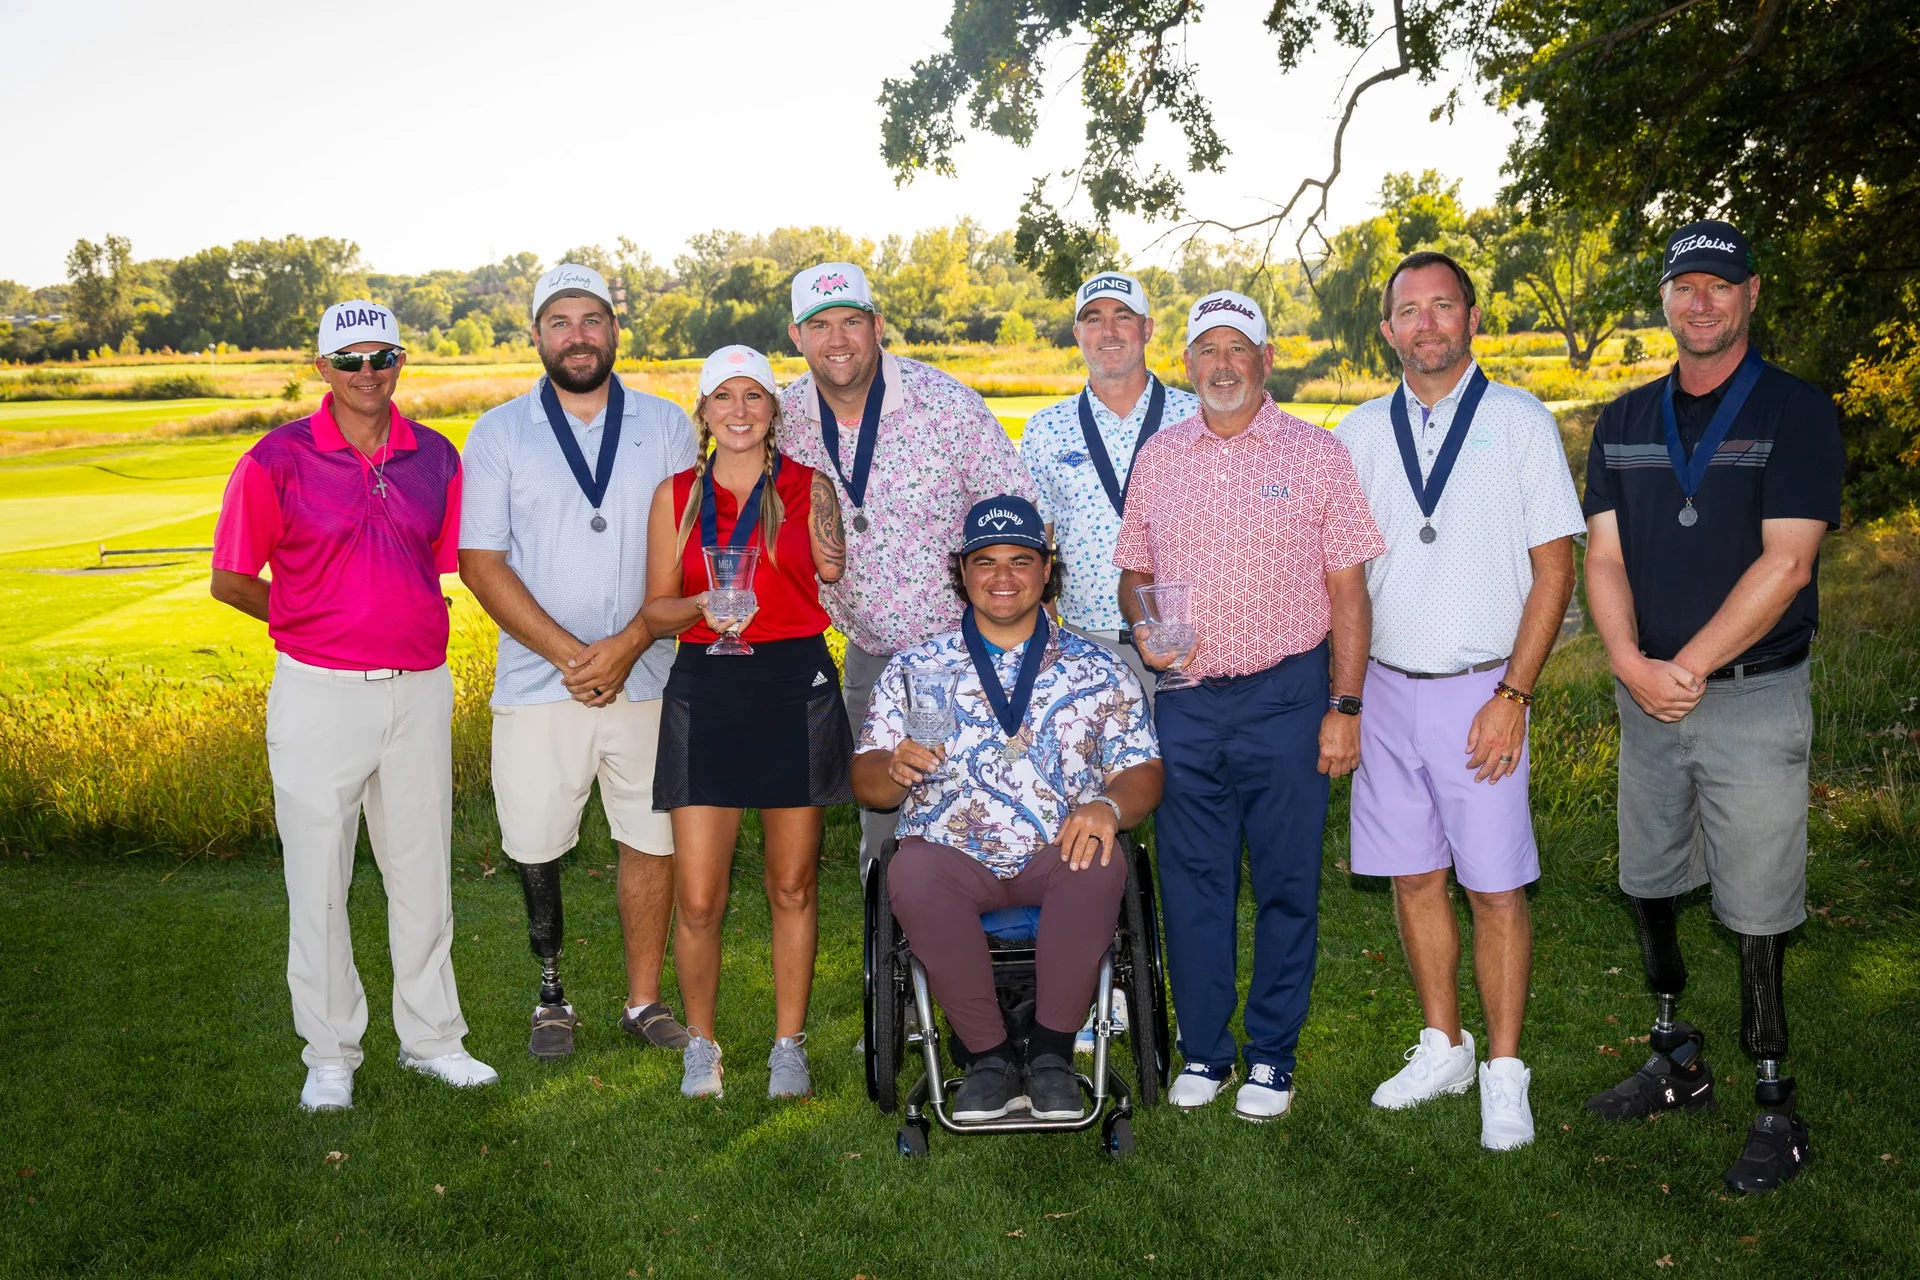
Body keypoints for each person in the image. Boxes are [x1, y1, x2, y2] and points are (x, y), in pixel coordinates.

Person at [1581, 221, 1843, 1192]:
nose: (1701, 301)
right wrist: (1628, 662)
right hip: (1644, 693)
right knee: (1648, 880)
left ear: (1751, 294)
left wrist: (1679, 665)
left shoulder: (1796, 410)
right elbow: (1601, 557)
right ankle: (1676, 1058)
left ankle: (1775, 1101)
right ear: (1665, 298)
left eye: (1719, 285)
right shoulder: (1623, 421)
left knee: (1759, 904)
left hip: (1751, 696)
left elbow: (1789, 560)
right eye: (1684, 285)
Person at [210, 299, 497, 1110]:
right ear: (322, 369)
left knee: (422, 873)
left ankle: (433, 1040)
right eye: (351, 361)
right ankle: (330, 1053)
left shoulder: (435, 457)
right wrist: (308, 619)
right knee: (319, 879)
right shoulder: (275, 459)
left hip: (417, 690)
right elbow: (231, 579)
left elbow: (438, 566)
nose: (369, 375)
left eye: (384, 358)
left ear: (401, 362)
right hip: (317, 695)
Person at [1333, 251, 1585, 1150]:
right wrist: (1347, 698)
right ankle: (1444, 1043)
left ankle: (1505, 1071)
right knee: (1412, 876)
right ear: (1390, 329)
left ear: (1472, 319)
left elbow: (1555, 568)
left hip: (1484, 688)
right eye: (1410, 310)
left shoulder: (1519, 420)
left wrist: (1515, 693)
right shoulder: (1357, 432)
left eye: (1445, 307)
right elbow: (1341, 577)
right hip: (1388, 691)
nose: (1428, 324)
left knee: (1496, 886)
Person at [1115, 290, 1384, 1122]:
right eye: (1208, 350)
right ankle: (1205, 1051)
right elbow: (1132, 570)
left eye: (1239, 349)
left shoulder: (1315, 453)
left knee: (1285, 882)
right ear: (1188, 364)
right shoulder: (1159, 455)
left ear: (1265, 360)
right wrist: (1144, 622)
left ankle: (1271, 1056)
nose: (1223, 365)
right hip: (1188, 699)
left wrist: (1345, 703)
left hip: (1287, 695)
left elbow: (1349, 591)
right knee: (1194, 881)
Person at [853, 496, 1163, 1122]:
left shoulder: (1097, 666)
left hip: (1058, 850)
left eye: (1021, 561)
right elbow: (866, 780)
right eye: (985, 562)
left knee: (1101, 859)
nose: (1002, 577)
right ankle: (986, 1057)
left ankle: (1050, 1054)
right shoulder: (917, 668)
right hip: (950, 853)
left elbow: (1143, 767)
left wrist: (1108, 805)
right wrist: (892, 769)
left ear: (1047, 569)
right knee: (907, 870)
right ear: (961, 571)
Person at [459, 264, 696, 1061]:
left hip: (649, 672)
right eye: (559, 321)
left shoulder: (666, 425)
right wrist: (572, 656)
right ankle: (550, 992)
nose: (578, 335)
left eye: (592, 318)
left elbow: (685, 556)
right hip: (539, 679)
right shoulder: (497, 432)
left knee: (651, 839)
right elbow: (482, 563)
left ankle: (642, 999)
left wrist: (628, 645)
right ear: (535, 335)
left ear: (615, 330)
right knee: (533, 841)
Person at [640, 345, 853, 1100]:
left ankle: (787, 1045)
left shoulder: (808, 486)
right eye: (722, 398)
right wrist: (706, 604)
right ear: (703, 411)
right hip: (706, 685)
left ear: (773, 410)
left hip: (794, 685)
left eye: (753, 397)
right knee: (699, 895)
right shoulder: (675, 496)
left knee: (791, 885)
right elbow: (655, 609)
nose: (738, 411)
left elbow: (832, 570)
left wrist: (823, 524)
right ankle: (702, 1044)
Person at [779, 262, 1037, 878]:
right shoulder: (782, 419)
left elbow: (1016, 509)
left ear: (878, 326)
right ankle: (897, 952)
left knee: (1000, 805)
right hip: (873, 655)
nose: (837, 340)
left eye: (851, 322)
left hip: (976, 649)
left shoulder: (944, 402)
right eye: (821, 325)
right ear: (797, 337)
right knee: (885, 823)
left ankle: (1005, 937)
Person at [1020, 270, 1200, 697]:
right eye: (1094, 318)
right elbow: (1037, 543)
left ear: (1147, 328)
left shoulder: (1197, 417)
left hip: (1187, 644)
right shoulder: (1046, 429)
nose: (1109, 331)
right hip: (1085, 643)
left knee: (1182, 765)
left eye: (1123, 316)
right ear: (1077, 333)